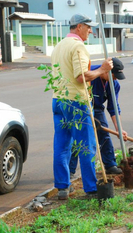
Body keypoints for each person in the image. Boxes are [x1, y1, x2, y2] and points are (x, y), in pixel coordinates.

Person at [50, 13, 113, 200]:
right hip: (76, 102)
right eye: (88, 27)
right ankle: (92, 189)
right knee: (86, 146)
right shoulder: (78, 47)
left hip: (58, 100)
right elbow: (81, 76)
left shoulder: (58, 47)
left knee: (62, 146)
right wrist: (102, 69)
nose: (90, 31)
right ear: (79, 27)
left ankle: (62, 187)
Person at [69, 58, 128, 177]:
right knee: (78, 136)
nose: (115, 79)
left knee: (104, 134)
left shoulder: (114, 85)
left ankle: (110, 164)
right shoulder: (91, 74)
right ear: (106, 71)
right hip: (82, 105)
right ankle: (70, 170)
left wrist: (118, 129)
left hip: (97, 107)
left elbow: (113, 107)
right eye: (114, 76)